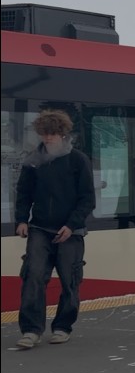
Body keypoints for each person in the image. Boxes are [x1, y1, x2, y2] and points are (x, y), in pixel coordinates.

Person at [14, 110, 96, 349]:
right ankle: (31, 330)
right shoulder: (33, 160)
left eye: (52, 134)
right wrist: (21, 220)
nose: (48, 138)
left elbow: (87, 198)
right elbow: (23, 193)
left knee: (70, 281)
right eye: (44, 134)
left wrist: (71, 225)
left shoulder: (78, 160)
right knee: (33, 276)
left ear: (63, 134)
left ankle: (62, 326)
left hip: (71, 231)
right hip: (39, 227)